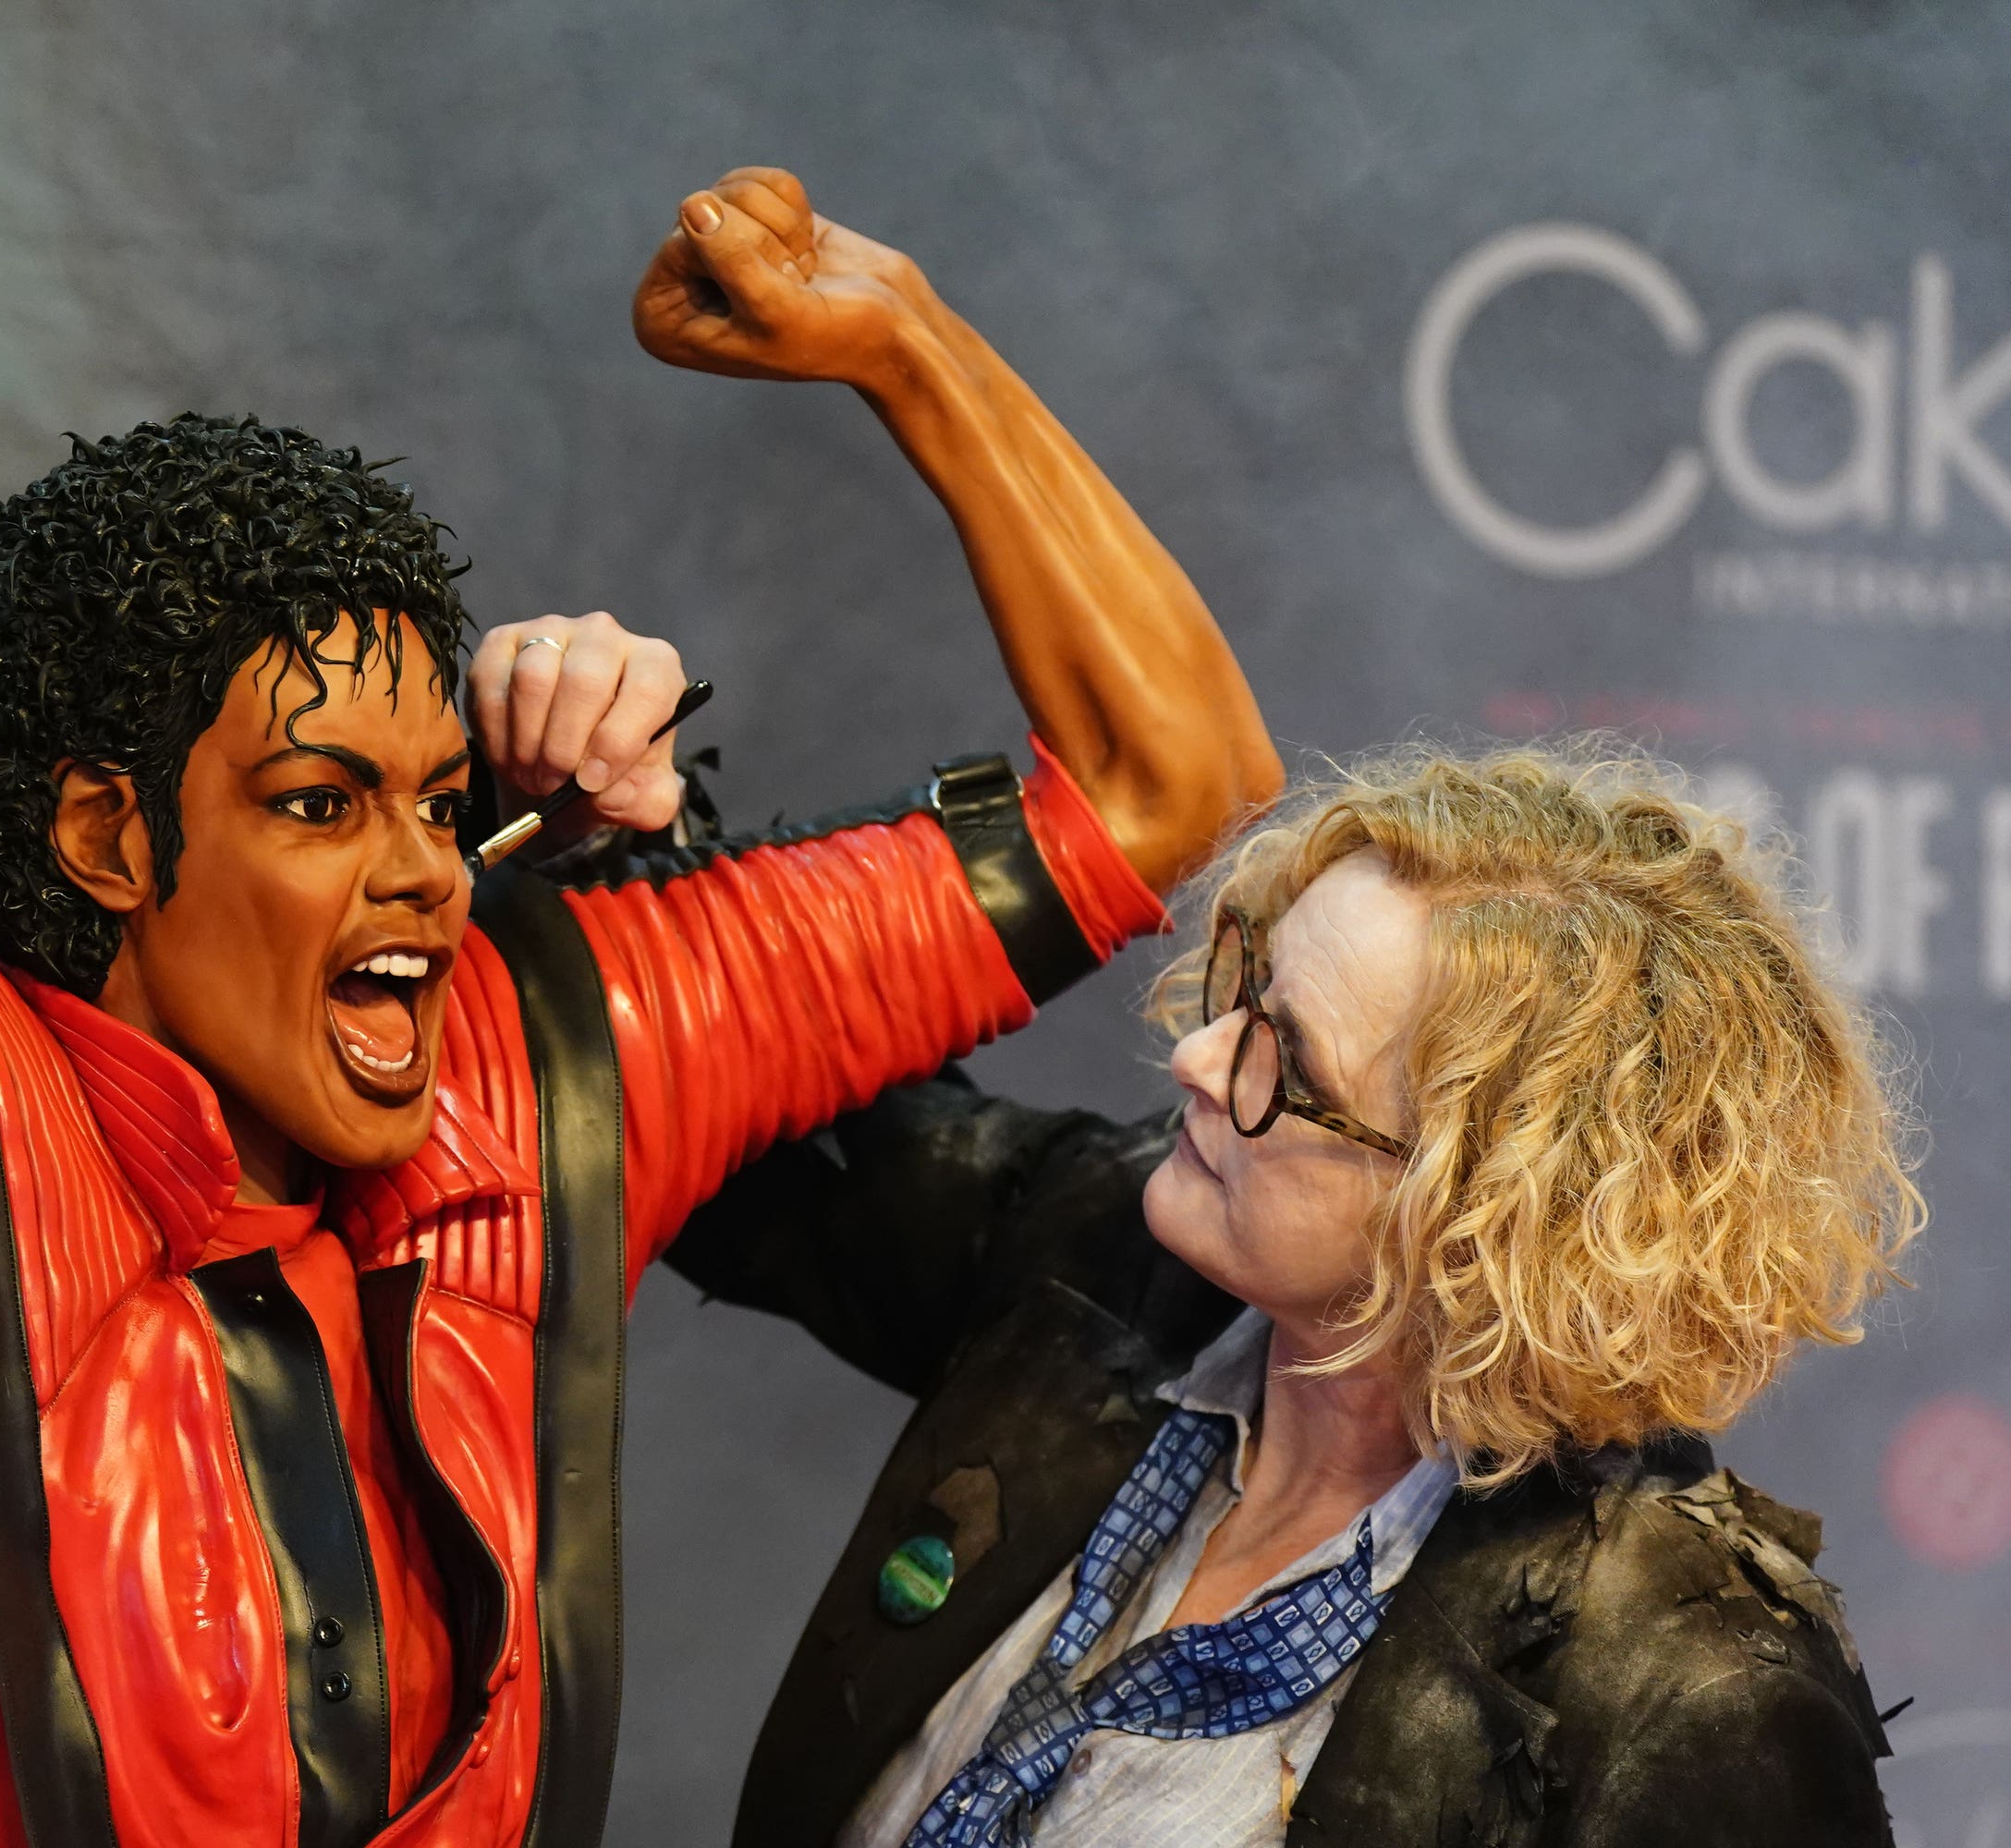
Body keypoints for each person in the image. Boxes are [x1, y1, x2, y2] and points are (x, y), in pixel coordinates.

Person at [0, 62, 1274, 1848]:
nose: (430, 878)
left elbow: (1166, 774)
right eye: (320, 803)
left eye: (440, 799)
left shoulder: (534, 1064)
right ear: (110, 837)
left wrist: (905, 344)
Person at [664, 740, 1918, 1844]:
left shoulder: (1694, 1691)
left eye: (1287, 1057)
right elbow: (691, 1077)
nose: (1197, 1058)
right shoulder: (1096, 1251)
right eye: (1246, 993)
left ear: (1485, 1210)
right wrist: (610, 806)